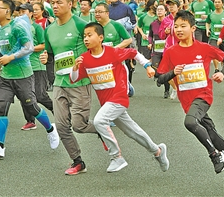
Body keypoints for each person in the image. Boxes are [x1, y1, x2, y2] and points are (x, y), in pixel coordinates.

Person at [70, 22, 169, 173]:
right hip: (107, 103)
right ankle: (158, 151)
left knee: (99, 121)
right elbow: (74, 78)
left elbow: (134, 53)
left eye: (90, 35)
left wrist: (147, 66)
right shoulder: (84, 59)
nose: (86, 39)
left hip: (119, 97)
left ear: (101, 37)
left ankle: (116, 157)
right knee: (133, 132)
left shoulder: (113, 52)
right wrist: (75, 68)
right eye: (84, 36)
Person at [157, 10, 224, 183]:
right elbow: (160, 78)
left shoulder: (203, 48)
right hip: (186, 101)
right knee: (210, 132)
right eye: (176, 26)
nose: (179, 29)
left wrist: (221, 73)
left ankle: (214, 155)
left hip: (203, 96)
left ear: (193, 28)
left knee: (189, 122)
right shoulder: (171, 52)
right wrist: (173, 72)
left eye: (183, 26)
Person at [0, 0, 59, 158]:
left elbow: (29, 48)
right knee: (1, 108)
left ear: (8, 11)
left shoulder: (17, 26)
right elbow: (7, 50)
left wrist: (11, 57)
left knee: (32, 107)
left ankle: (51, 129)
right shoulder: (0, 29)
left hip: (23, 75)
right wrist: (0, 62)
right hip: (6, 77)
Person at [40, 0, 99, 175]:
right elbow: (50, 55)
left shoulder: (81, 25)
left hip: (79, 83)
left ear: (70, 3)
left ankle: (102, 129)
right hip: (60, 82)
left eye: (59, 2)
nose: (54, 6)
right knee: (62, 126)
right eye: (52, 2)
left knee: (79, 125)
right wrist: (45, 58)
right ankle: (78, 161)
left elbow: (97, 48)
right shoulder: (49, 30)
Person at [149, 5, 171, 98]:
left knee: (165, 71)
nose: (159, 11)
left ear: (166, 11)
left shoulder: (169, 23)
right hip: (156, 49)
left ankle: (166, 90)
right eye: (158, 10)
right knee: (156, 69)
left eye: (161, 9)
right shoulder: (153, 24)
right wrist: (150, 43)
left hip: (167, 50)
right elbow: (150, 35)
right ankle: (159, 78)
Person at [205, 0, 224, 72]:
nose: (217, 4)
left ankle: (223, 68)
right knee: (214, 52)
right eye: (215, 2)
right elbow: (207, 22)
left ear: (222, 4)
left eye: (219, 2)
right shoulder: (211, 14)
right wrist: (207, 29)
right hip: (214, 37)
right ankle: (216, 68)